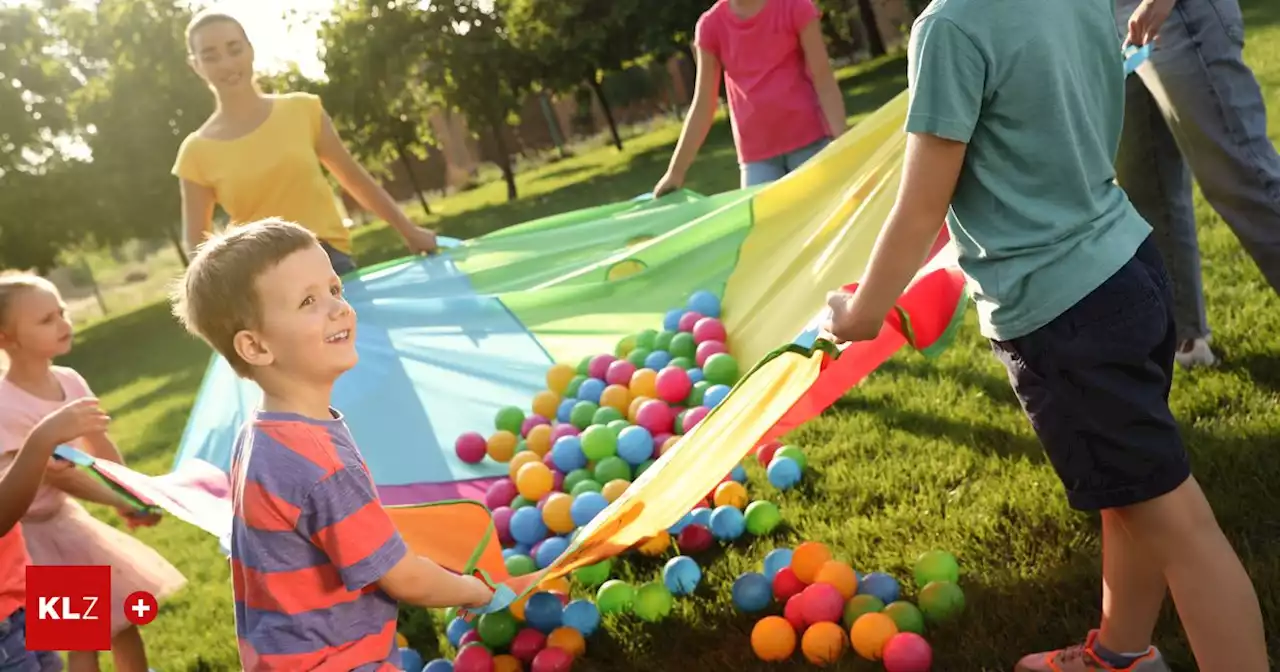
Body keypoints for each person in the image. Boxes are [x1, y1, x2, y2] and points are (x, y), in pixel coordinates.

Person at [821, 0, 1269, 668]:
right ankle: (1121, 655)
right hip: (1129, 267)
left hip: (1065, 316)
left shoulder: (950, 28)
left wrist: (862, 314)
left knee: (1181, 529)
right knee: (1133, 492)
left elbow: (921, 206)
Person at [170, 218, 494, 670]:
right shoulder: (319, 463)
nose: (338, 308)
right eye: (308, 301)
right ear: (256, 347)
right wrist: (478, 591)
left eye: (335, 290)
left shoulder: (260, 433)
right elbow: (404, 579)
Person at [0, 274, 185, 672]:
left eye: (62, 312)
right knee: (80, 635)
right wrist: (118, 499)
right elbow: (59, 475)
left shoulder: (69, 380)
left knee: (123, 623)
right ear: (6, 338)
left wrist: (134, 494)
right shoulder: (5, 403)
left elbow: (99, 446)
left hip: (67, 522)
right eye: (46, 319)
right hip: (34, 538)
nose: (63, 322)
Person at [172, 10, 438, 276]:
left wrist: (410, 231)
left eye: (234, 49)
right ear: (196, 65)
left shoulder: (303, 110)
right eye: (211, 56)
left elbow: (355, 178)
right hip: (262, 280)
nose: (227, 63)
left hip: (329, 261)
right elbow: (198, 247)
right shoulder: (195, 152)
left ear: (250, 50)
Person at [1114, 0, 1280, 369]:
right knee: (1145, 187)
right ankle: (1186, 339)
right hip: (1107, 17)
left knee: (1243, 177)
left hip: (1174, 12)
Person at [653, 0, 847, 195]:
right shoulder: (711, 26)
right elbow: (703, 104)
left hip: (810, 145)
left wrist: (843, 140)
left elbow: (823, 79)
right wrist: (675, 173)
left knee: (824, 218)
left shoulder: (795, 7)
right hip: (758, 160)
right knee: (769, 225)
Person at [0, 399, 109, 672]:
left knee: (81, 641)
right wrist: (40, 440)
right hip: (5, 622)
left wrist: (33, 462)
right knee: (80, 639)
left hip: (17, 597)